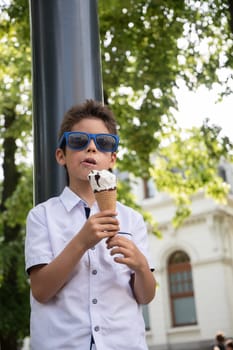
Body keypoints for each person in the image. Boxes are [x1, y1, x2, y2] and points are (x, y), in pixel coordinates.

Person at [25, 99, 156, 350]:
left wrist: (141, 266)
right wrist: (82, 241)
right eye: (78, 141)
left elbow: (146, 295)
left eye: (103, 143)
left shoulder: (131, 219)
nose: (92, 148)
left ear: (112, 159)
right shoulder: (41, 216)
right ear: (61, 155)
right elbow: (41, 290)